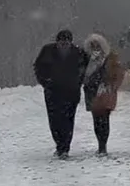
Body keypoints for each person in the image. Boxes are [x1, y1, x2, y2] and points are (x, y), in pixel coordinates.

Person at [33, 29, 89, 158]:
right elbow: (38, 67)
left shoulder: (79, 53)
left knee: (68, 120)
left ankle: (65, 147)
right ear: (57, 42)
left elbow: (85, 70)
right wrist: (46, 82)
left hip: (71, 92)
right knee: (55, 120)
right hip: (53, 91)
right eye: (62, 42)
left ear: (71, 42)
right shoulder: (47, 51)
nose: (64, 44)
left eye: (67, 42)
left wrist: (77, 82)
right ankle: (59, 144)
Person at [82, 33, 124, 155]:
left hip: (106, 91)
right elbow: (82, 74)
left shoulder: (110, 58)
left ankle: (102, 145)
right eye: (93, 46)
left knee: (104, 119)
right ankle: (100, 144)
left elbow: (118, 73)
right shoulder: (86, 58)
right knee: (96, 120)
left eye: (97, 45)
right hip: (91, 91)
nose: (95, 48)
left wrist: (113, 86)